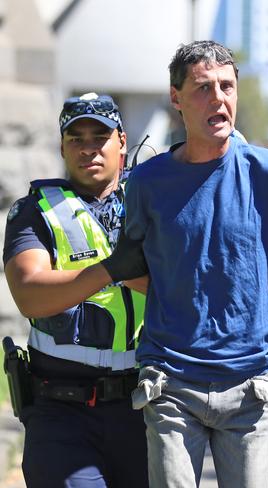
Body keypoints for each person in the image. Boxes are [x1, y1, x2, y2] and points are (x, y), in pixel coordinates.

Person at [119, 40, 268, 488]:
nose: (218, 98)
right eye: (203, 88)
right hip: (171, 380)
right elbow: (130, 264)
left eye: (227, 86)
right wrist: (173, 295)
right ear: (176, 97)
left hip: (252, 385)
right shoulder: (147, 182)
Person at [2, 93, 148, 487]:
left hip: (146, 406)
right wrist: (113, 270)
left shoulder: (152, 201)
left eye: (99, 136)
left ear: (121, 139)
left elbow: (186, 286)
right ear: (62, 146)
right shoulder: (34, 211)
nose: (88, 149)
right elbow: (30, 292)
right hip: (62, 413)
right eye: (75, 138)